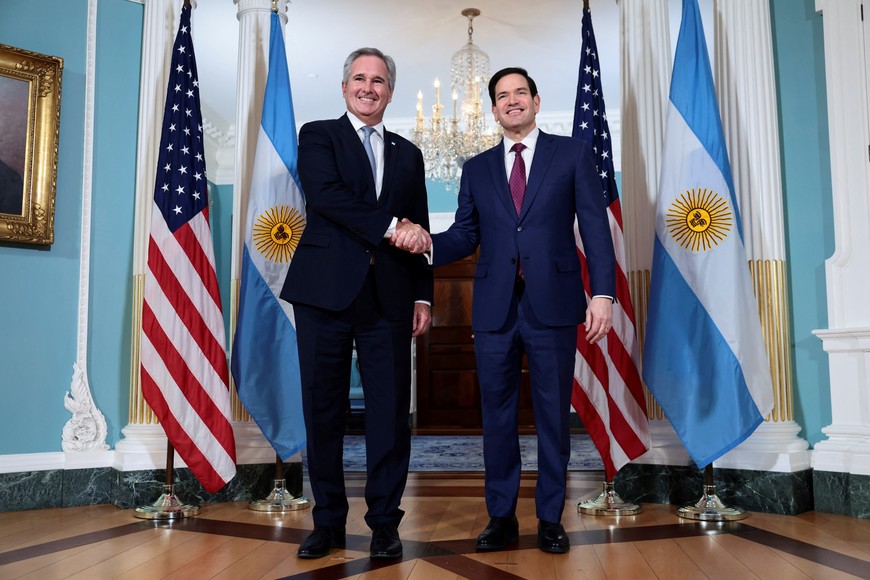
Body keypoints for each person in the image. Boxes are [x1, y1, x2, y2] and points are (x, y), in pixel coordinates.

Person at [393, 67, 615, 554]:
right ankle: (501, 517)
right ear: (493, 109)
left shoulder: (572, 154)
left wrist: (603, 293)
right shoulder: (476, 169)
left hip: (554, 305)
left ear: (536, 100)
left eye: (519, 93)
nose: (511, 102)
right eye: (501, 96)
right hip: (494, 309)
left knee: (553, 416)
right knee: (495, 417)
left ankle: (550, 519)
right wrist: (427, 242)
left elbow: (596, 230)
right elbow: (466, 234)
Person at [280, 47, 433, 560]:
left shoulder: (410, 154)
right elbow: (326, 197)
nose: (369, 87)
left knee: (389, 414)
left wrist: (422, 294)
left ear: (390, 91)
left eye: (380, 80)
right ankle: (327, 523)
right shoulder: (318, 134)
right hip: (324, 293)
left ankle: (385, 524)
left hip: (389, 297)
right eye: (360, 79)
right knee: (323, 409)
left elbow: (419, 225)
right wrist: (392, 228)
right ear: (345, 87)